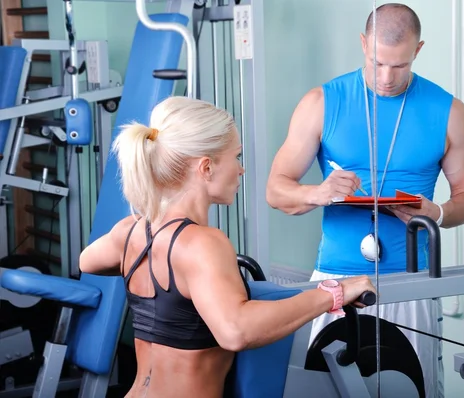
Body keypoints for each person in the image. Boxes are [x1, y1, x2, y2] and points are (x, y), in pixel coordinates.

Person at [77, 96, 376, 398]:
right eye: (236, 157)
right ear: (206, 168)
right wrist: (333, 293)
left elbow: (87, 262)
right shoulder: (203, 243)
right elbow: (236, 331)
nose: (241, 170)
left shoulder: (131, 231)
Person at [266, 4, 464, 398]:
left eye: (398, 66)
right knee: (324, 391)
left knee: (410, 391)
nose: (386, 77)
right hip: (334, 279)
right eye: (377, 62)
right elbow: (276, 190)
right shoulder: (321, 102)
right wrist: (319, 193)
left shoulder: (449, 111)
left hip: (411, 284)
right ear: (363, 44)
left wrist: (438, 212)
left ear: (418, 49)